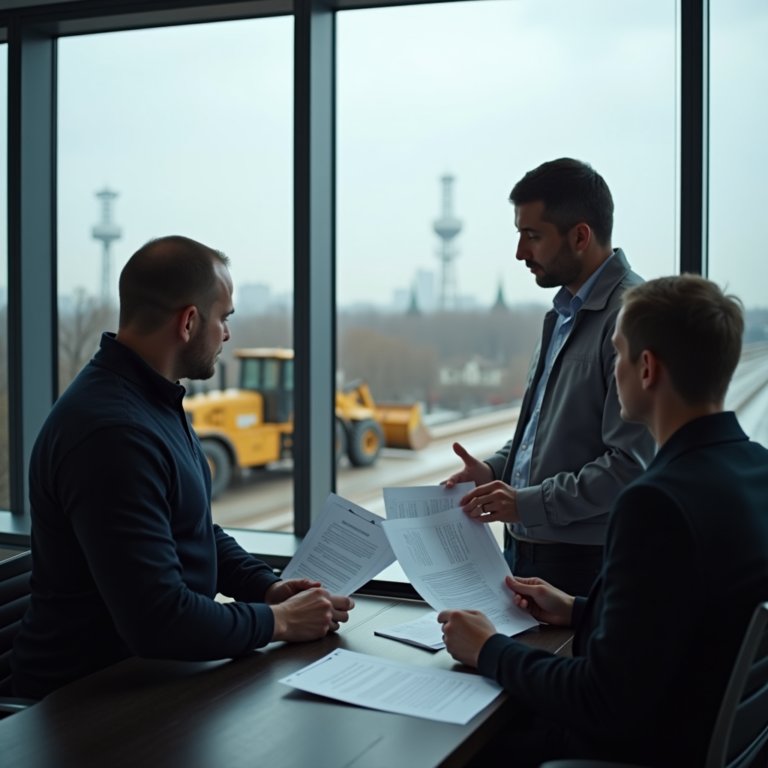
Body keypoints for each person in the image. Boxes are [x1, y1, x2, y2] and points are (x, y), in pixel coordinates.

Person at [438, 275, 768, 767]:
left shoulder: (655, 503)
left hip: (638, 751)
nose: (613, 370)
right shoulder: (756, 469)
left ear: (647, 368)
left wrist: (487, 649)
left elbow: (599, 699)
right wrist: (578, 610)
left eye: (618, 354)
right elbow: (685, 621)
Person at [12, 236, 354, 700]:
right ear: (189, 321)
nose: (227, 334)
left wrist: (266, 588)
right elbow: (159, 621)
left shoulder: (151, 399)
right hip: (85, 703)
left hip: (148, 678)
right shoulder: (115, 433)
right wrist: (281, 622)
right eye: (224, 318)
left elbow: (191, 527)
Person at [444, 158, 655, 596]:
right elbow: (542, 430)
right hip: (523, 550)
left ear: (579, 236)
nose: (520, 252)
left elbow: (630, 465)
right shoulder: (561, 314)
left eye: (533, 236)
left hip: (585, 564)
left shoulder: (633, 317)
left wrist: (525, 503)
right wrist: (493, 469)